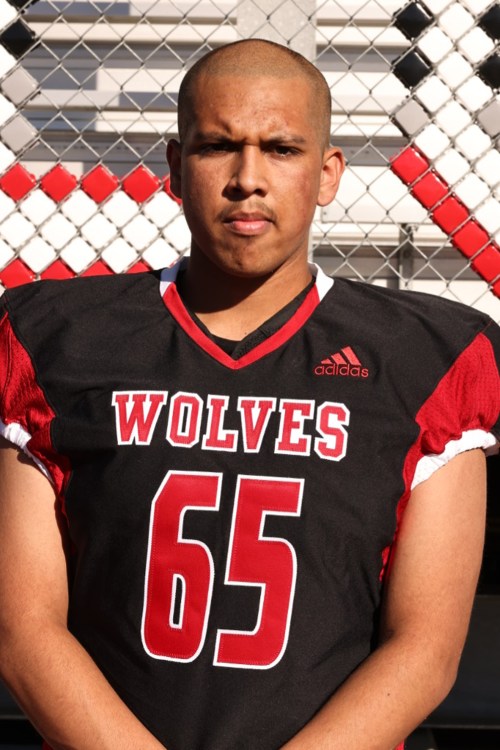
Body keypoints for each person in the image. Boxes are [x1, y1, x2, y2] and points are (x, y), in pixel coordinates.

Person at [0, 38, 498, 750]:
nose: (248, 179)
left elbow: (425, 651)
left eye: (282, 148)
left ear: (328, 173)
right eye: (217, 146)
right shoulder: (57, 339)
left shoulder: (427, 357)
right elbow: (22, 630)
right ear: (177, 167)